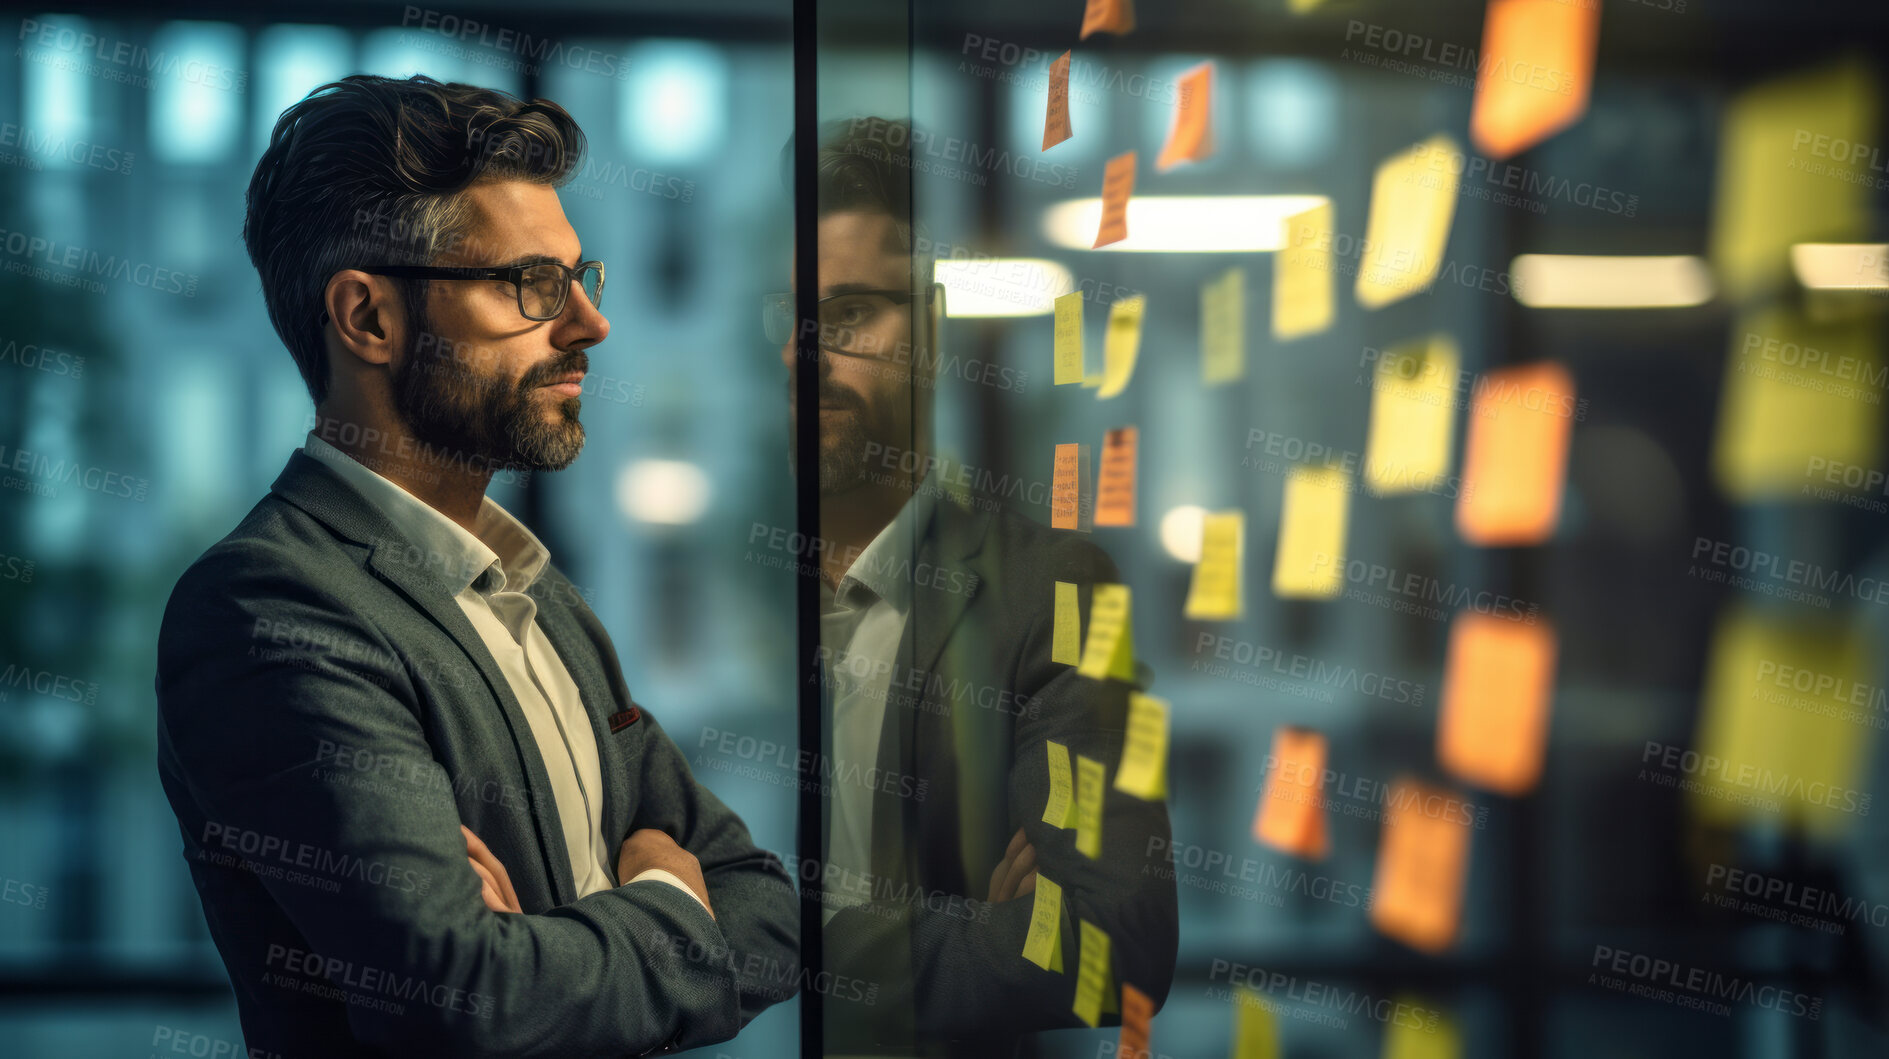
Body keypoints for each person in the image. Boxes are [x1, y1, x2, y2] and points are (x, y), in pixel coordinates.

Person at [155, 75, 797, 1058]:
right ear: (368, 318)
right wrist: (671, 896)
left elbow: (765, 908)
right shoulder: (265, 608)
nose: (588, 324)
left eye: (584, 277)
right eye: (532, 285)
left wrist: (543, 950)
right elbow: (467, 1003)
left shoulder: (537, 595)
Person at [768, 117, 1177, 1056]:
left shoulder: (1049, 588)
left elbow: (1117, 944)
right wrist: (975, 934)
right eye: (785, 318)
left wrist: (767, 941)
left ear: (936, 332)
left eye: (849, 314)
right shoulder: (728, 593)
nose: (805, 354)